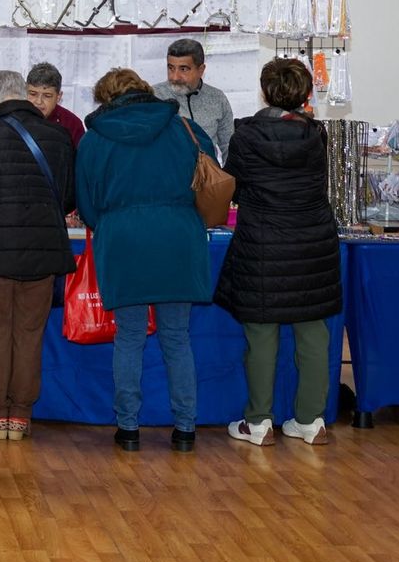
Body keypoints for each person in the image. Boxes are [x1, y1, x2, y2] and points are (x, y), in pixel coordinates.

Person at [75, 67, 213, 453]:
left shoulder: (95, 138)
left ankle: (128, 429)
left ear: (107, 99)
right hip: (178, 238)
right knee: (176, 338)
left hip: (124, 240)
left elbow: (86, 203)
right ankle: (186, 429)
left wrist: (109, 222)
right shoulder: (182, 127)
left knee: (130, 337)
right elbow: (211, 167)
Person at [215, 58, 342, 447]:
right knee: (313, 335)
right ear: (305, 94)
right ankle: (310, 421)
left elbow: (234, 187)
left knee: (262, 335)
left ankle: (258, 423)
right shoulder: (316, 135)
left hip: (263, 242)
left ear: (265, 91)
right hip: (312, 242)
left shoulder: (246, 136)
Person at [0, 69, 76, 441]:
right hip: (42, 254)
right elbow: (69, 199)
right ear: (24, 96)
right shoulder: (57, 136)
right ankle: (20, 417)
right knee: (29, 333)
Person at [152, 38, 234, 162]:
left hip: (207, 177)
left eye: (183, 69)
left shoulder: (217, 98)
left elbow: (228, 146)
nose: (175, 77)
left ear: (201, 70)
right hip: (168, 176)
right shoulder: (155, 96)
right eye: (171, 68)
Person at [25, 62, 84, 147]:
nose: (38, 101)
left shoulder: (72, 124)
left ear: (59, 97)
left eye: (47, 96)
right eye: (33, 94)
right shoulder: (15, 119)